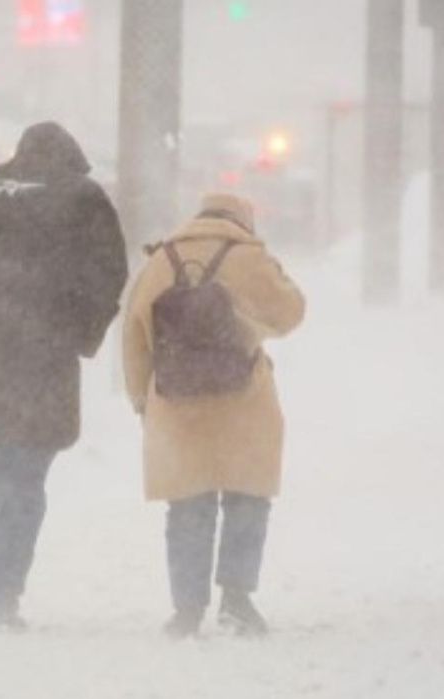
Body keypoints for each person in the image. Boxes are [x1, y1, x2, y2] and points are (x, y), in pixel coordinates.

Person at [0, 122, 128, 628]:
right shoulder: (83, 198)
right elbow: (110, 273)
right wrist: (79, 332)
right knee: (26, 472)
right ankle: (2, 595)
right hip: (44, 357)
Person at [122, 193, 305, 638]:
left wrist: (143, 402)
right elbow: (292, 311)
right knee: (246, 500)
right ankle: (237, 602)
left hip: (178, 406)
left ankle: (187, 609)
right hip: (243, 402)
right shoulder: (249, 257)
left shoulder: (162, 260)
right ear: (243, 220)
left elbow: (134, 337)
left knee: (188, 505)